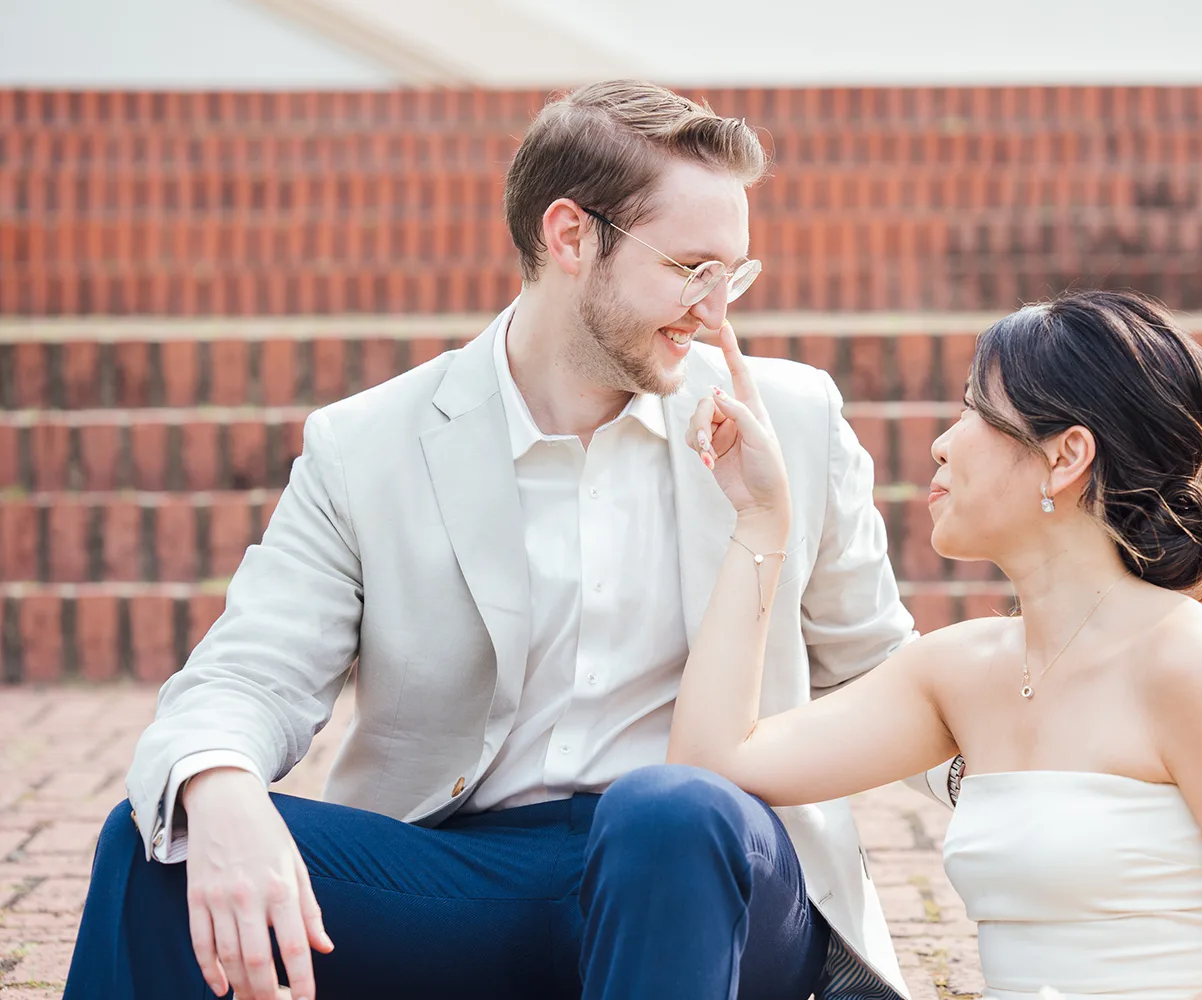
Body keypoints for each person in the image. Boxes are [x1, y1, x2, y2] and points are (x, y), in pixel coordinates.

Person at [63, 80, 928, 1000]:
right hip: (468, 881)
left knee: (668, 812)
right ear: (569, 236)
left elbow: (884, 675)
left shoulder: (790, 418)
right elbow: (248, 672)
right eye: (690, 270)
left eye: (733, 274)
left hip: (713, 877)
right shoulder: (368, 444)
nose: (716, 312)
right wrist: (220, 786)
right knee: (155, 843)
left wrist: (1048, 774)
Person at [667, 290, 1202, 1000]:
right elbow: (710, 766)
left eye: (975, 410)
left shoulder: (1184, 661)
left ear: (1066, 457)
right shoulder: (957, 672)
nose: (943, 442)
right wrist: (761, 521)